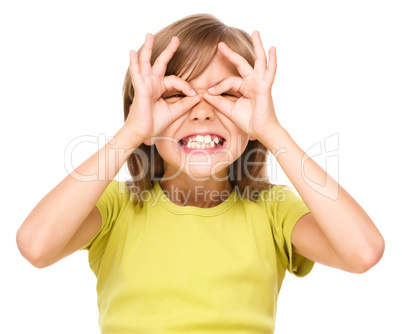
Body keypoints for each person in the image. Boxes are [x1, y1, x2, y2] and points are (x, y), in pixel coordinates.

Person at [16, 13, 385, 334]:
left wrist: (272, 130)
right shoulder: (117, 206)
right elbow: (36, 247)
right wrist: (131, 132)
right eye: (178, 95)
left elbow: (363, 253)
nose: (203, 111)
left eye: (226, 95)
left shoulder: (273, 210)